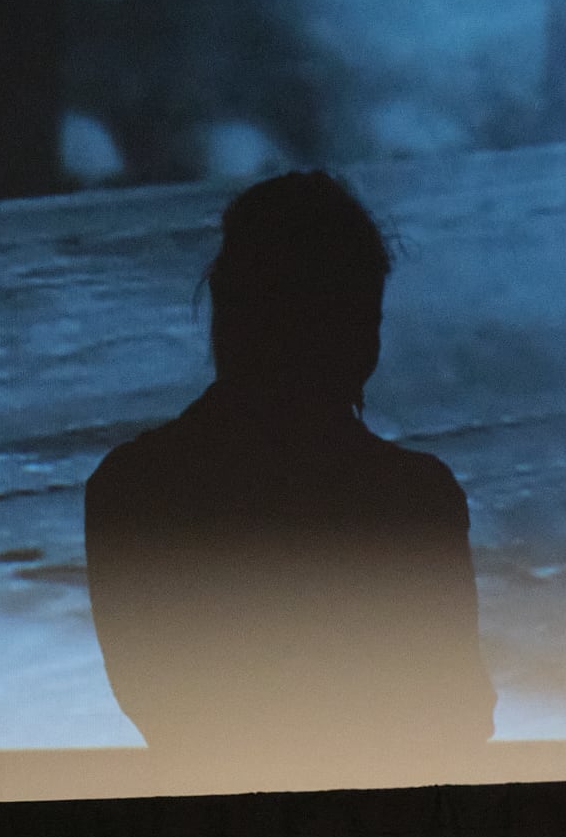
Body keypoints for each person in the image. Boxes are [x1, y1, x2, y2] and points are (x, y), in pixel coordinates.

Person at [83, 171, 495, 788]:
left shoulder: (131, 490)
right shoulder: (415, 500)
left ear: (226, 315)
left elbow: (155, 700)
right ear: (358, 334)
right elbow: (459, 712)